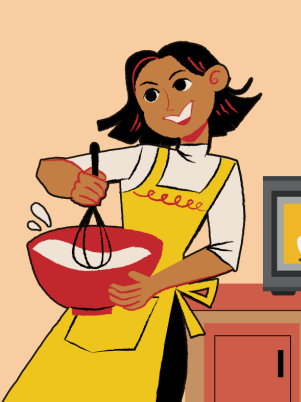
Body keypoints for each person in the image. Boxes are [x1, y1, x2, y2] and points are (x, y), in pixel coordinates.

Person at [5, 41, 261, 402]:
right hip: (105, 298)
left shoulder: (225, 173)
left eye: (181, 85)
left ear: (215, 79)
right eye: (151, 95)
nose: (168, 104)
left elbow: (224, 253)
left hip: (160, 304)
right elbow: (48, 168)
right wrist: (75, 184)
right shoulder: (144, 159)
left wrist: (154, 284)